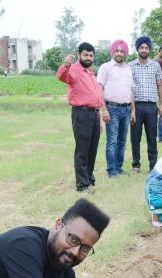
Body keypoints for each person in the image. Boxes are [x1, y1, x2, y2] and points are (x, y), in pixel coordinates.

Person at [56, 42, 107, 193]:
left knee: (92, 149)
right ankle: (82, 185)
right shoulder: (73, 70)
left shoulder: (90, 72)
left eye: (91, 55)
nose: (88, 57)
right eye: (85, 55)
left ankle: (89, 179)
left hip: (94, 113)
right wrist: (66, 64)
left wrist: (101, 114)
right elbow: (61, 76)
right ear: (79, 55)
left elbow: (97, 95)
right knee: (82, 150)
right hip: (81, 113)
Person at [97, 39, 135, 178]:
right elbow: (99, 88)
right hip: (111, 108)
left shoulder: (128, 69)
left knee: (122, 141)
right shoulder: (105, 67)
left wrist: (133, 110)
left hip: (126, 109)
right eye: (117, 51)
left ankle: (119, 168)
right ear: (112, 51)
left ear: (125, 53)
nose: (119, 53)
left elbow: (131, 91)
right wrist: (104, 110)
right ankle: (111, 171)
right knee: (112, 141)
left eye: (122, 51)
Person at [128, 36, 162, 173]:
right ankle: (136, 165)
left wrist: (161, 104)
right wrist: (132, 109)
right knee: (135, 137)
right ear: (137, 49)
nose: (144, 50)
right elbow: (129, 88)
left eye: (146, 48)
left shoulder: (155, 65)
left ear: (149, 49)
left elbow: (160, 85)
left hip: (151, 106)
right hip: (136, 105)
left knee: (152, 137)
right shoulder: (130, 66)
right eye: (142, 47)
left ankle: (153, 165)